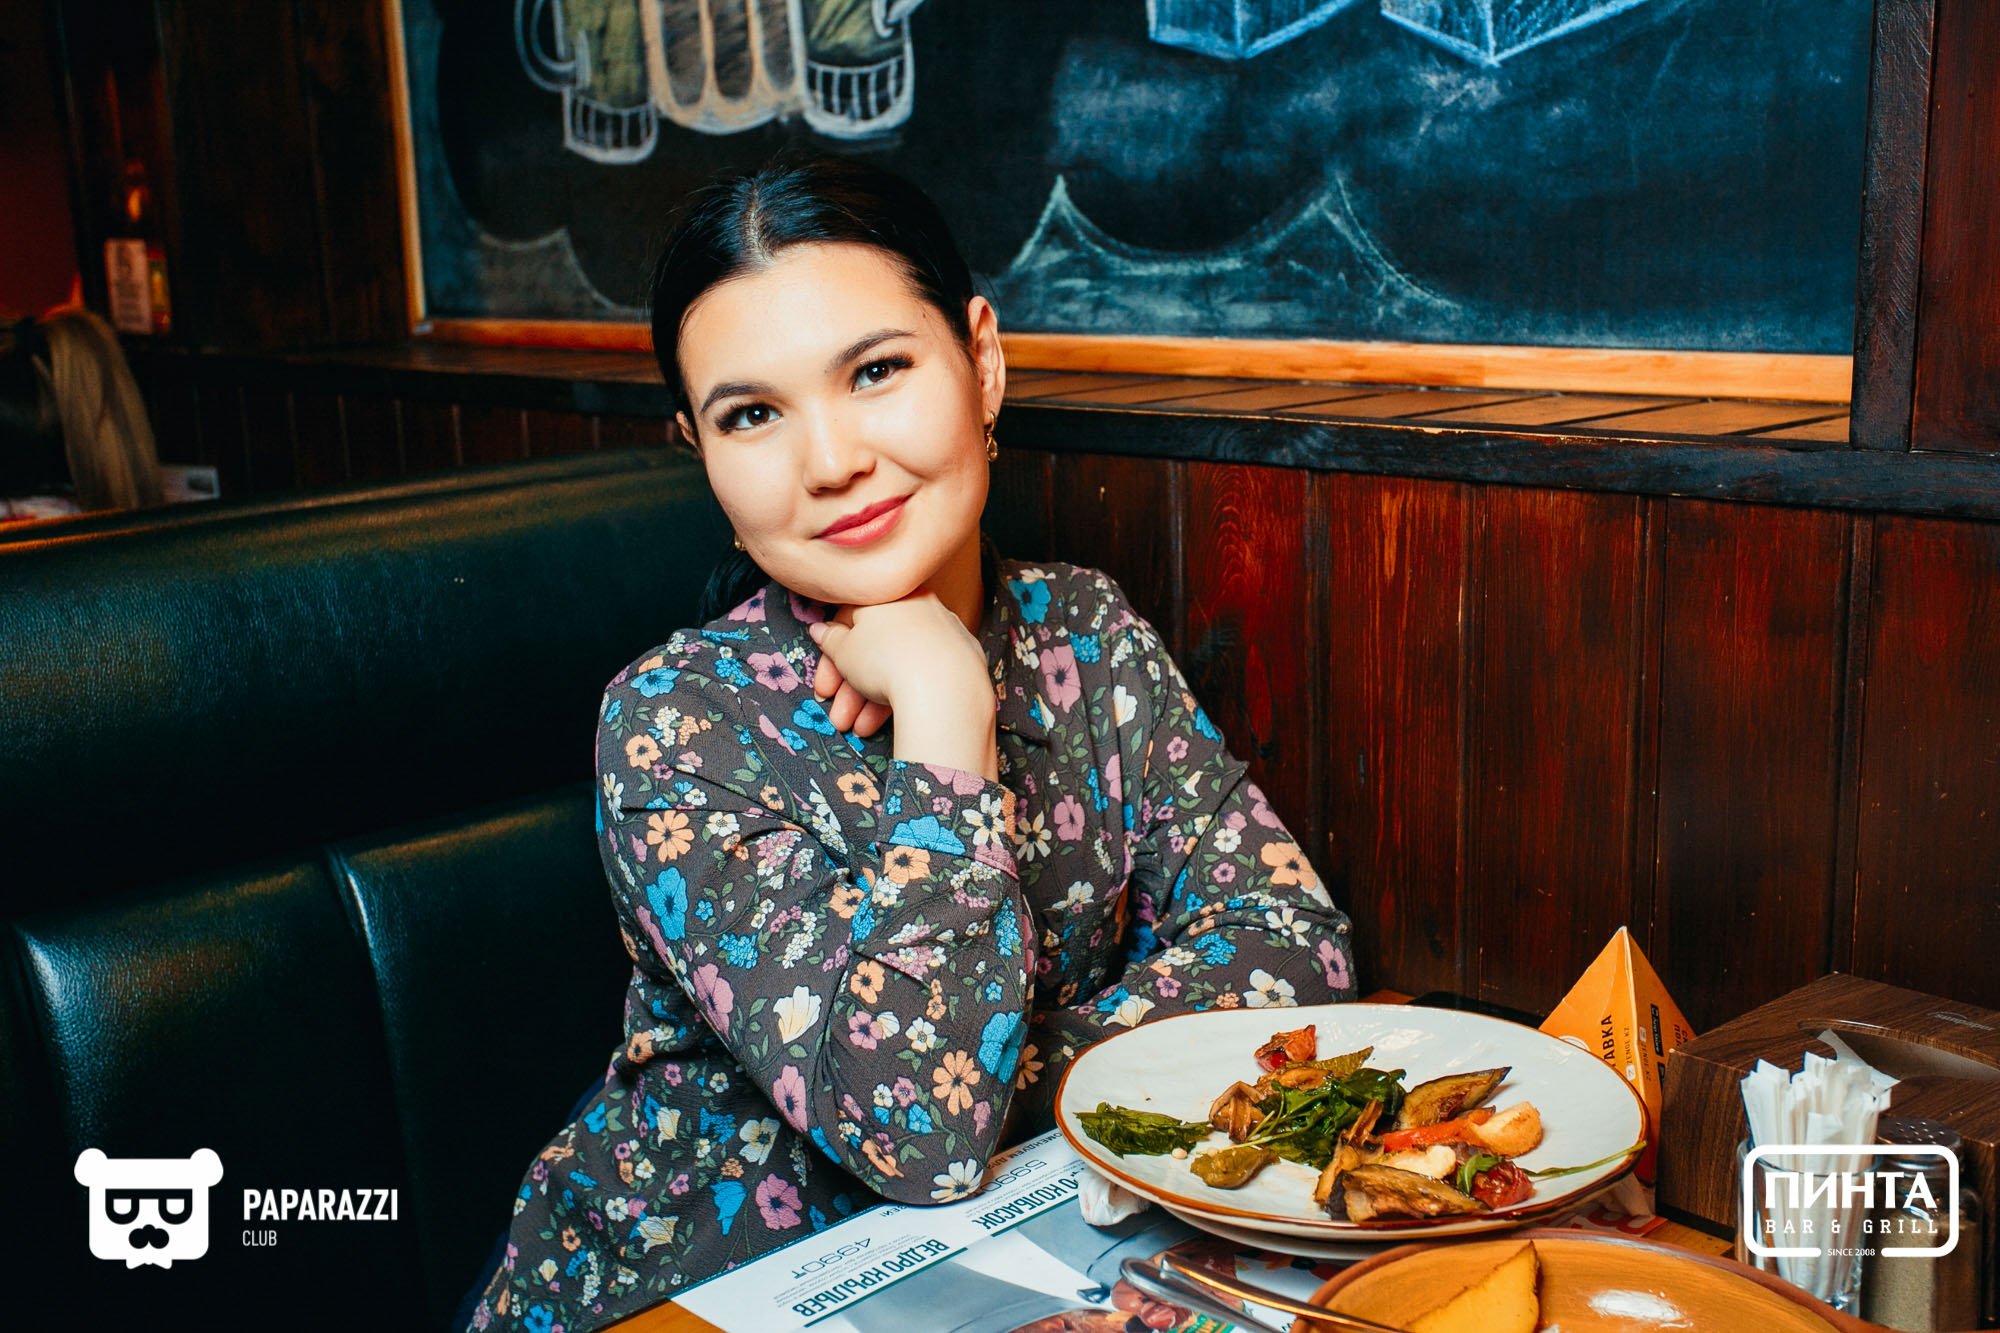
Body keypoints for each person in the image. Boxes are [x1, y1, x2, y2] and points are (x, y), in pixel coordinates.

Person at [467, 154, 1356, 1332]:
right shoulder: (673, 722)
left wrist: (1007, 1068)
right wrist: (943, 706)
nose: (830, 462)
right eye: (751, 414)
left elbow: (1295, 952)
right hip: (686, 1292)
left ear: (981, 361)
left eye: (875, 370)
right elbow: (923, 1134)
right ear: (700, 449)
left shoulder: (1081, 629)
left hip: (1015, 1261)